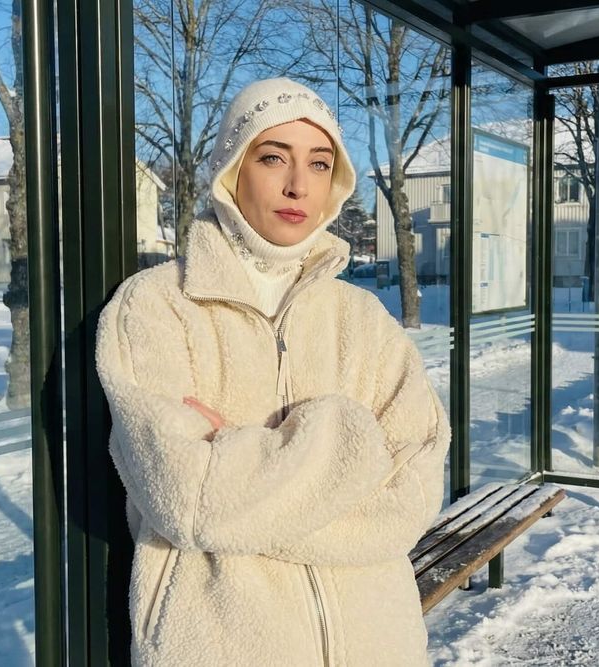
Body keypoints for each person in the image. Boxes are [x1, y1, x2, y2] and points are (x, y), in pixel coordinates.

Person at [95, 77, 451, 666]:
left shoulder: (362, 317)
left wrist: (239, 465)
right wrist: (349, 438)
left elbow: (410, 496)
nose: (297, 185)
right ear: (232, 168)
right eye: (272, 158)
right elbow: (191, 500)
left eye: (319, 163)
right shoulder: (156, 306)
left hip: (377, 643)